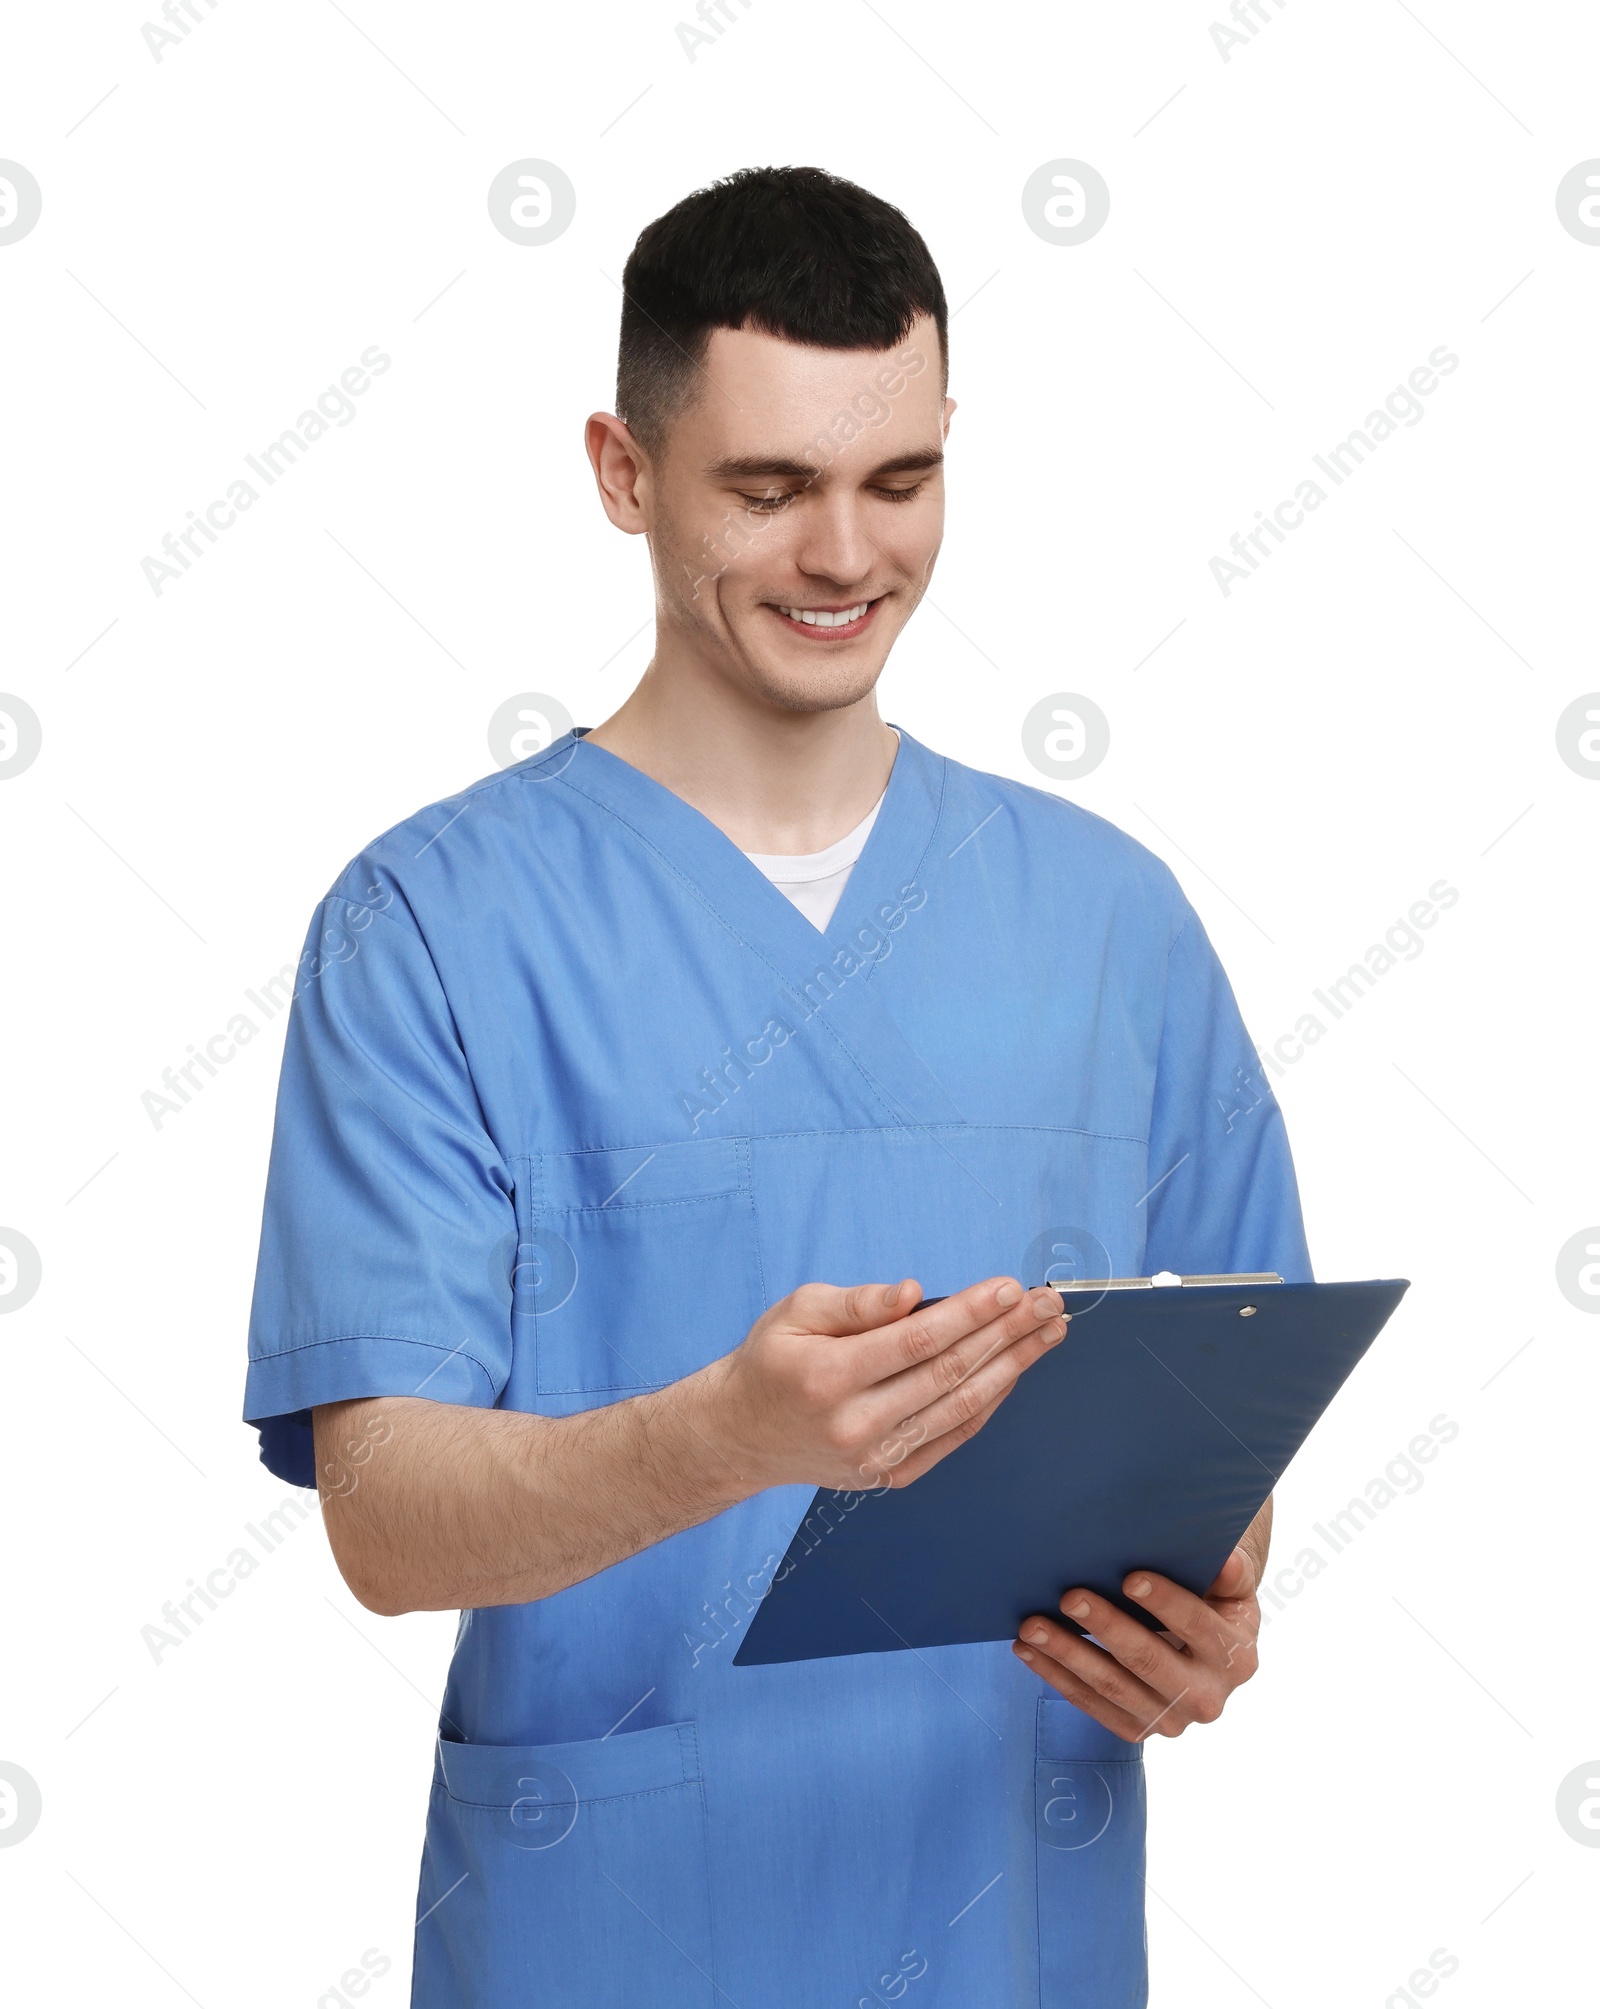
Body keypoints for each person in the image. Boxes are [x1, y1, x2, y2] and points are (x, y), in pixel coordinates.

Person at [243, 164, 1311, 2008]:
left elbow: (1222, 1411)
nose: (845, 555)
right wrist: (726, 1436)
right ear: (622, 470)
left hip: (1018, 1933)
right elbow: (385, 1516)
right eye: (769, 488)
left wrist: (1195, 1621)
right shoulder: (431, 925)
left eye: (900, 481)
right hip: (615, 1938)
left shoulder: (1108, 920)